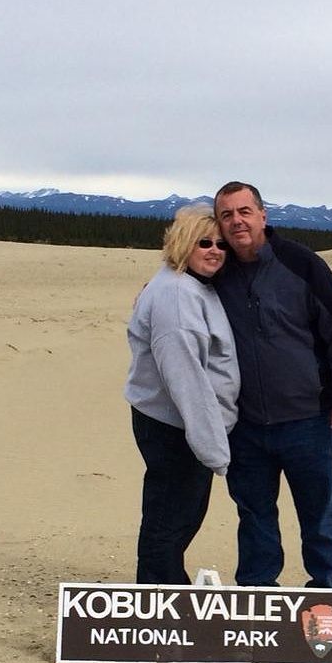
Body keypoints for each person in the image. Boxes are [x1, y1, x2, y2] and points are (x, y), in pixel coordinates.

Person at [212, 181, 332, 589]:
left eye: (244, 211)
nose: (236, 222)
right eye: (226, 215)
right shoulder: (215, 269)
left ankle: (325, 590)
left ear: (263, 215)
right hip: (244, 424)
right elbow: (176, 288)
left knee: (318, 514)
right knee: (254, 513)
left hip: (309, 419)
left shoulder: (301, 264)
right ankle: (259, 593)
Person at [124, 206, 240, 584]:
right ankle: (161, 599)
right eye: (203, 242)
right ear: (182, 244)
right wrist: (214, 449)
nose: (214, 250)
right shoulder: (177, 295)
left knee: (180, 513)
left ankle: (161, 590)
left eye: (221, 244)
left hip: (182, 424)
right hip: (174, 425)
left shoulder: (191, 286)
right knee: (170, 517)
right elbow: (186, 376)